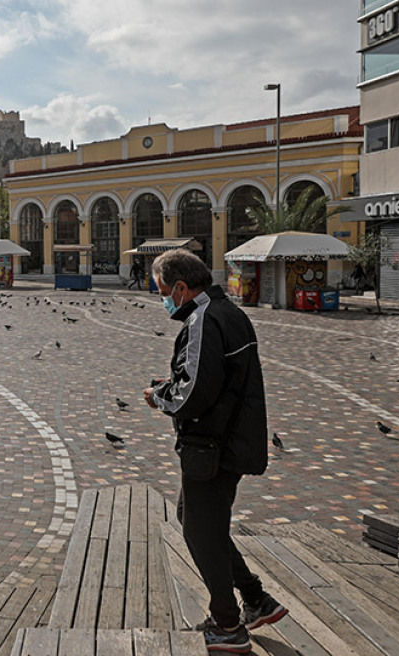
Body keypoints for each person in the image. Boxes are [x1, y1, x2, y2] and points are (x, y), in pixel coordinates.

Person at [142, 249, 287, 653]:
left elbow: (193, 394)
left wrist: (159, 395)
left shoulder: (204, 318)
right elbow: (210, 376)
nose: (164, 300)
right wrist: (173, 382)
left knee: (200, 531)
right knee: (194, 518)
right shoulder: (229, 312)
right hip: (231, 439)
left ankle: (227, 624)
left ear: (183, 288)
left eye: (164, 291)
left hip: (213, 445)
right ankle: (256, 599)